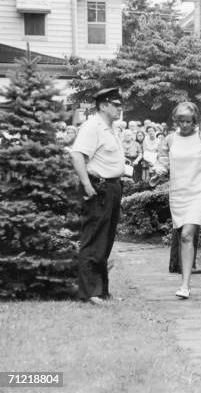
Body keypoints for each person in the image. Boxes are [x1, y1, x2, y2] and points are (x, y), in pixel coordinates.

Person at [153, 102, 201, 299]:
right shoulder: (169, 139)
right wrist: (158, 171)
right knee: (183, 235)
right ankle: (184, 280)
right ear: (176, 121)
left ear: (195, 121)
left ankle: (185, 285)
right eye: (181, 121)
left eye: (189, 121)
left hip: (199, 192)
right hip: (178, 193)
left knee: (187, 234)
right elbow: (163, 162)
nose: (184, 125)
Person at [70, 87, 125, 304]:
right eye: (116, 105)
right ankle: (89, 292)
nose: (120, 108)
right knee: (93, 238)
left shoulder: (109, 128)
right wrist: (86, 184)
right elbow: (77, 155)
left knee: (106, 239)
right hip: (98, 187)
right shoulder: (92, 126)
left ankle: (101, 289)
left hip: (111, 186)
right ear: (103, 105)